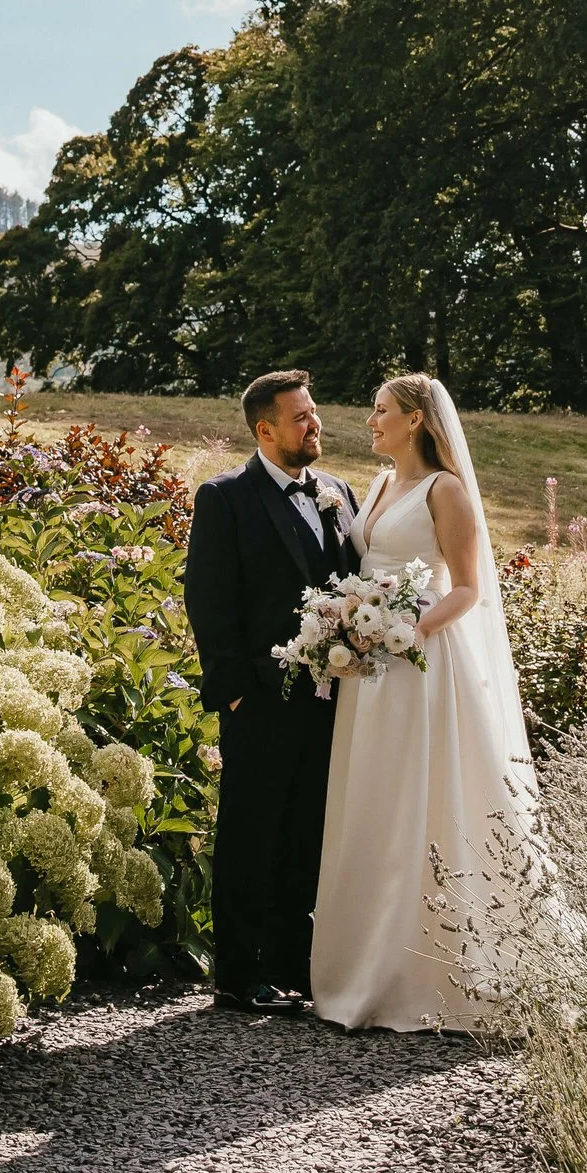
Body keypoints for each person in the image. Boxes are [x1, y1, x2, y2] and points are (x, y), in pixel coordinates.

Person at [311, 372, 540, 1031]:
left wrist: (410, 628)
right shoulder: (381, 485)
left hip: (422, 664)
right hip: (371, 672)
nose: (371, 420)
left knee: (424, 799)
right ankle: (365, 959)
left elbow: (467, 588)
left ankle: (421, 968)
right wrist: (349, 618)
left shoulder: (447, 490)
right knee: (375, 800)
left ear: (415, 419)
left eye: (380, 410)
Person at [183, 369, 360, 1015]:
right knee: (251, 834)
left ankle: (295, 965)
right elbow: (207, 600)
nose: (315, 426)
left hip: (330, 699)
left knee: (307, 833)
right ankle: (238, 973)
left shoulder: (340, 492)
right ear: (265, 430)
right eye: (301, 418)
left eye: (314, 413)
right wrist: (232, 693)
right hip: (258, 699)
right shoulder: (226, 497)